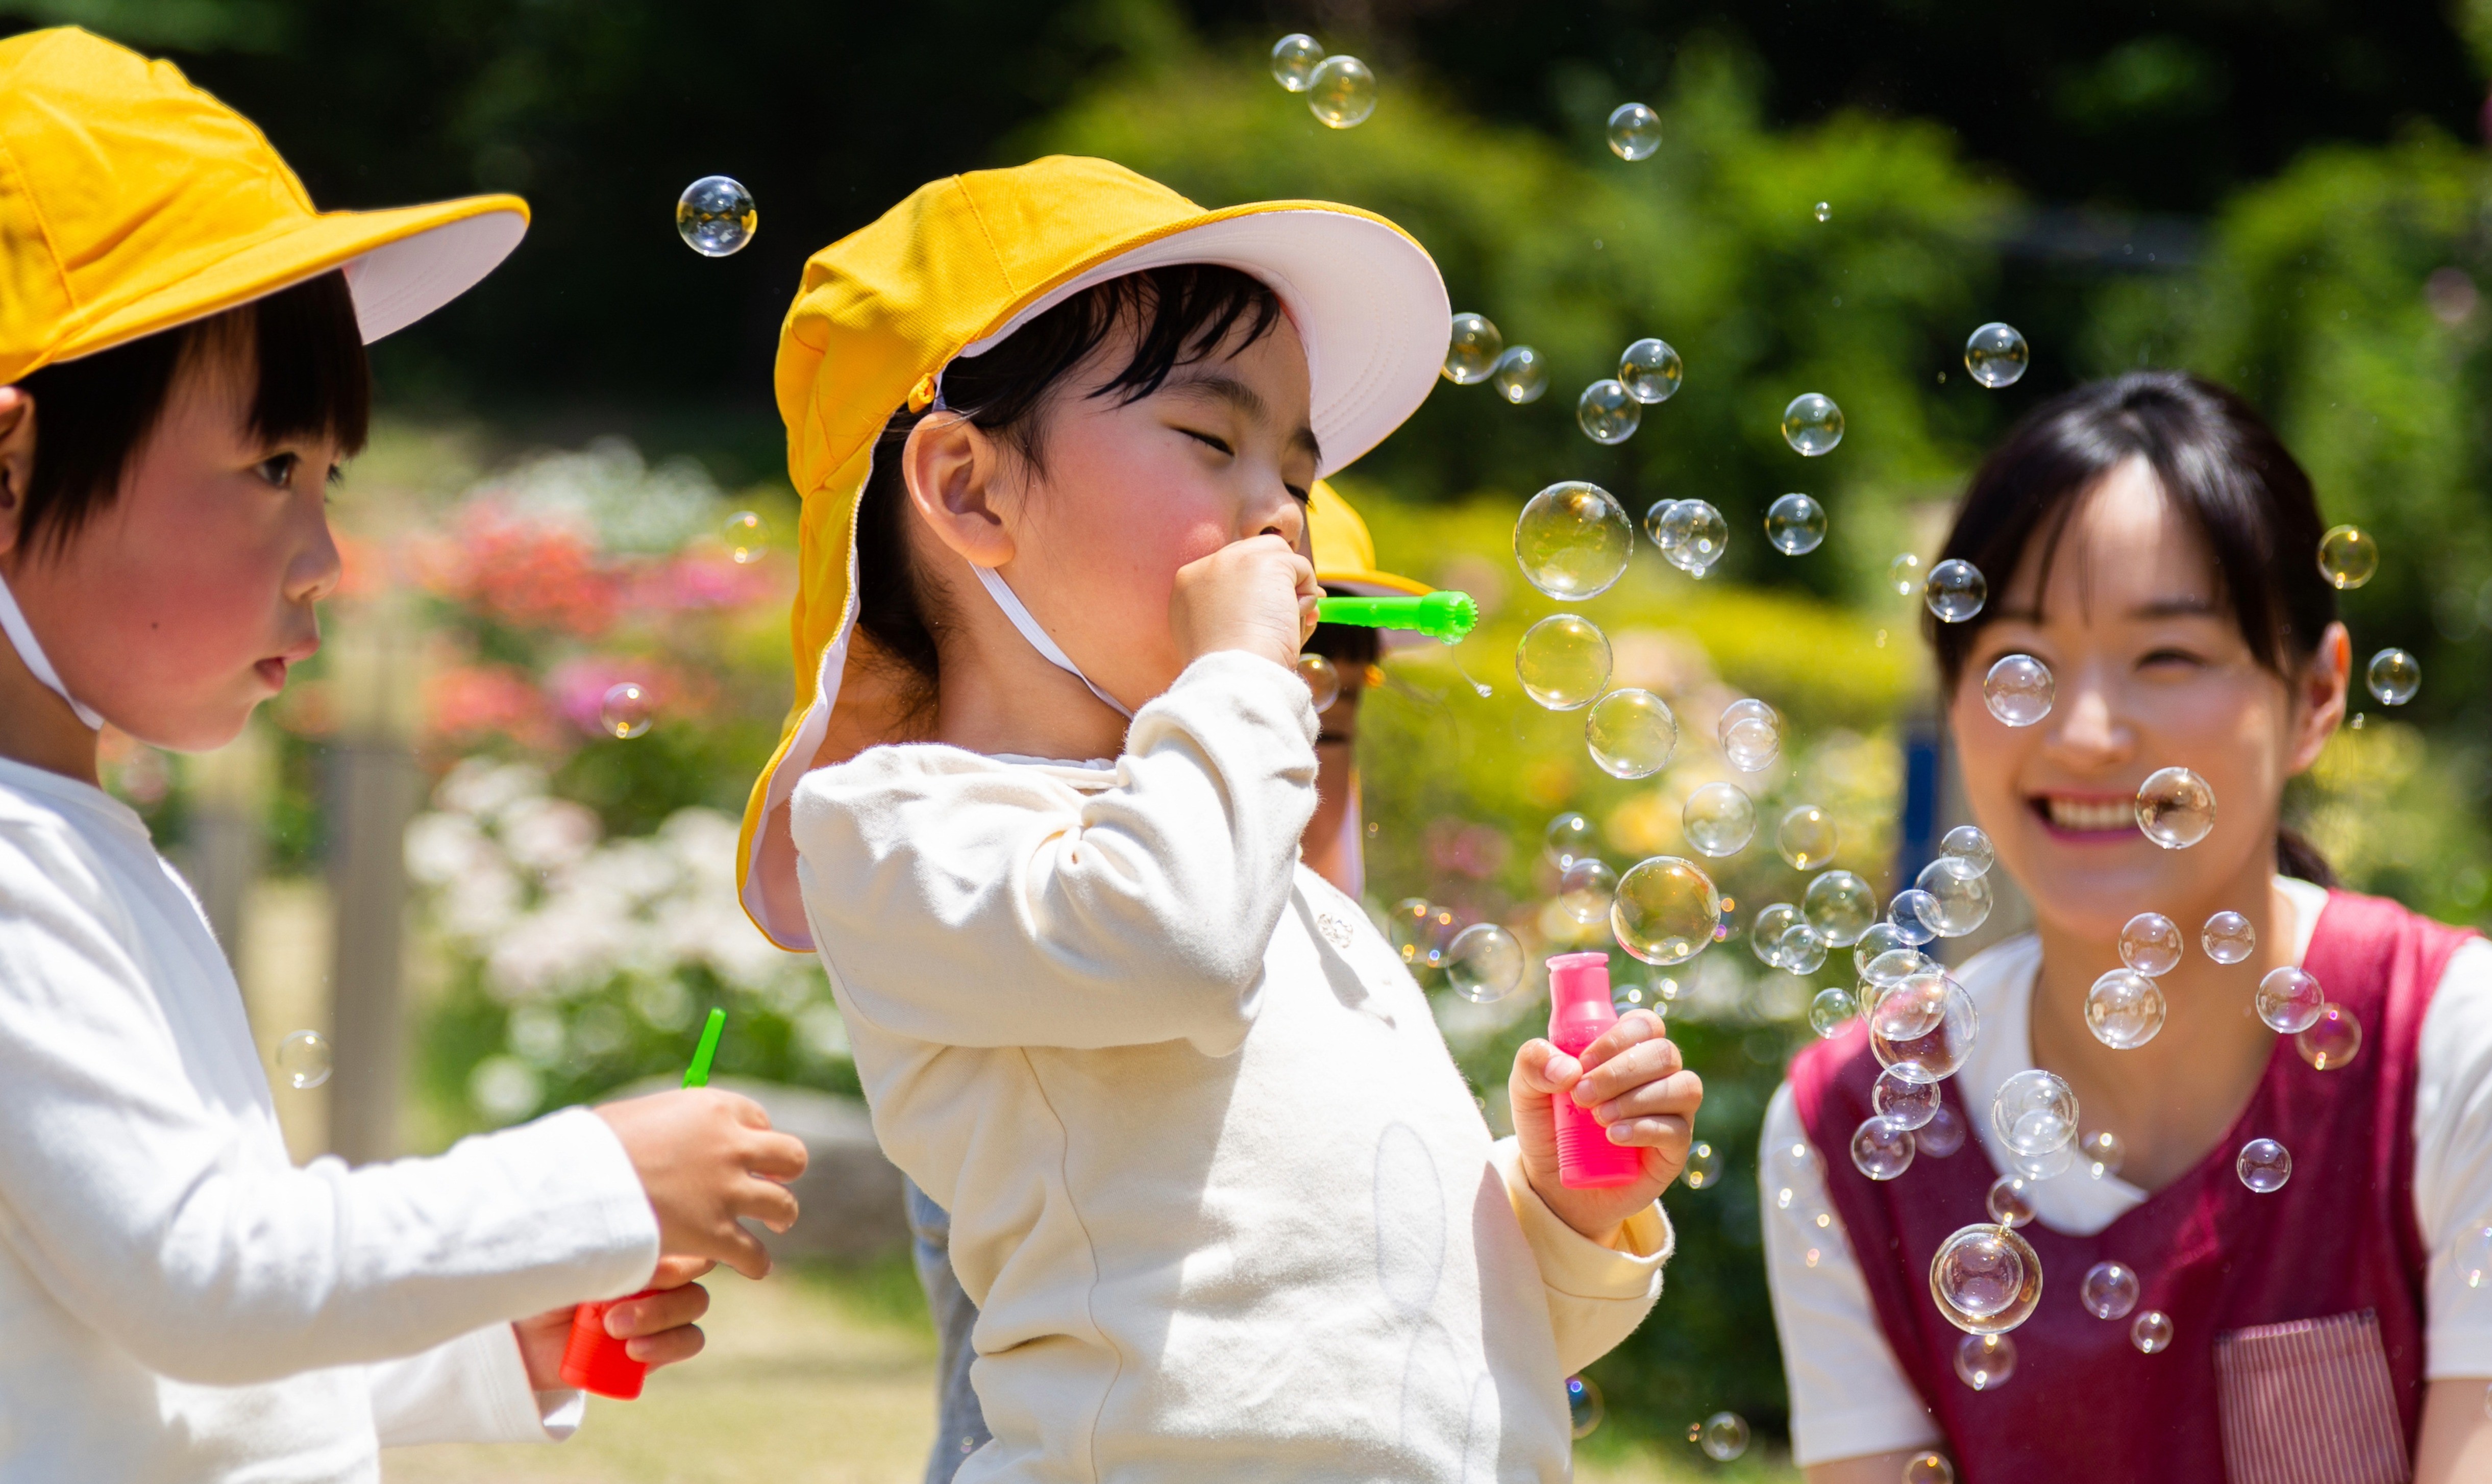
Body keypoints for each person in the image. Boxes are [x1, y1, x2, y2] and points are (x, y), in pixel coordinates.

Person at [734, 156, 1700, 1481]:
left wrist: (1562, 1209)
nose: (1281, 522)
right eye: (1210, 440)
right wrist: (1239, 678)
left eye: (1295, 475)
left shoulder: (1278, 892)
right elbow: (1162, 941)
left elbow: (1398, 1329)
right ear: (969, 489)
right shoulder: (897, 827)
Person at [0, 29, 806, 1478]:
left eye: (329, 477)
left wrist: (499, 1348)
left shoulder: (77, 848)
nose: (323, 555)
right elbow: (203, 1274)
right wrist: (586, 1176)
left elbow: (146, 1370)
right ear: (6, 472)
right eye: (270, 469)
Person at [1762, 371, 2492, 1481]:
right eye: (2019, 659)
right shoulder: (1847, 1124)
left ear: (2319, 692)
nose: (2088, 731)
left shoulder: (2453, 1054)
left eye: (2169, 655)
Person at [902, 481, 1400, 1482]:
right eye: (1233, 733)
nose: (1286, 782)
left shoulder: (1350, 976)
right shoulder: (1052, 941)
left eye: (1323, 741)